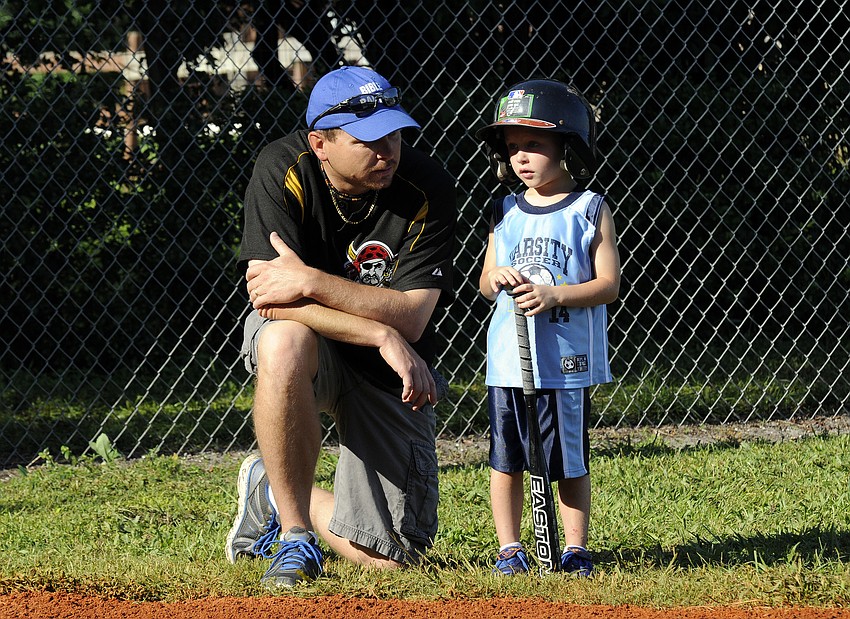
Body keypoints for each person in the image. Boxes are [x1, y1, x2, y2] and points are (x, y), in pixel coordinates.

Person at [225, 65, 457, 587]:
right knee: (284, 341)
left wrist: (309, 279)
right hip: (322, 344)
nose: (388, 150)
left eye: (395, 133)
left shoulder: (428, 186)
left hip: (386, 370)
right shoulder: (283, 168)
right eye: (368, 139)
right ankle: (294, 535)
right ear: (321, 143)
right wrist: (379, 330)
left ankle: (277, 487)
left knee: (388, 558)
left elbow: (414, 315)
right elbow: (269, 300)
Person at [475, 79, 620, 576]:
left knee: (568, 459)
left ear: (566, 145)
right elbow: (484, 280)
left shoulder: (589, 209)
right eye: (513, 147)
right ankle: (510, 547)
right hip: (510, 361)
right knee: (505, 457)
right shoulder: (504, 211)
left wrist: (556, 294)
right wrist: (496, 277)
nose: (521, 157)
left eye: (533, 144)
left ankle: (576, 547)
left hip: (564, 363)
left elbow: (608, 285)